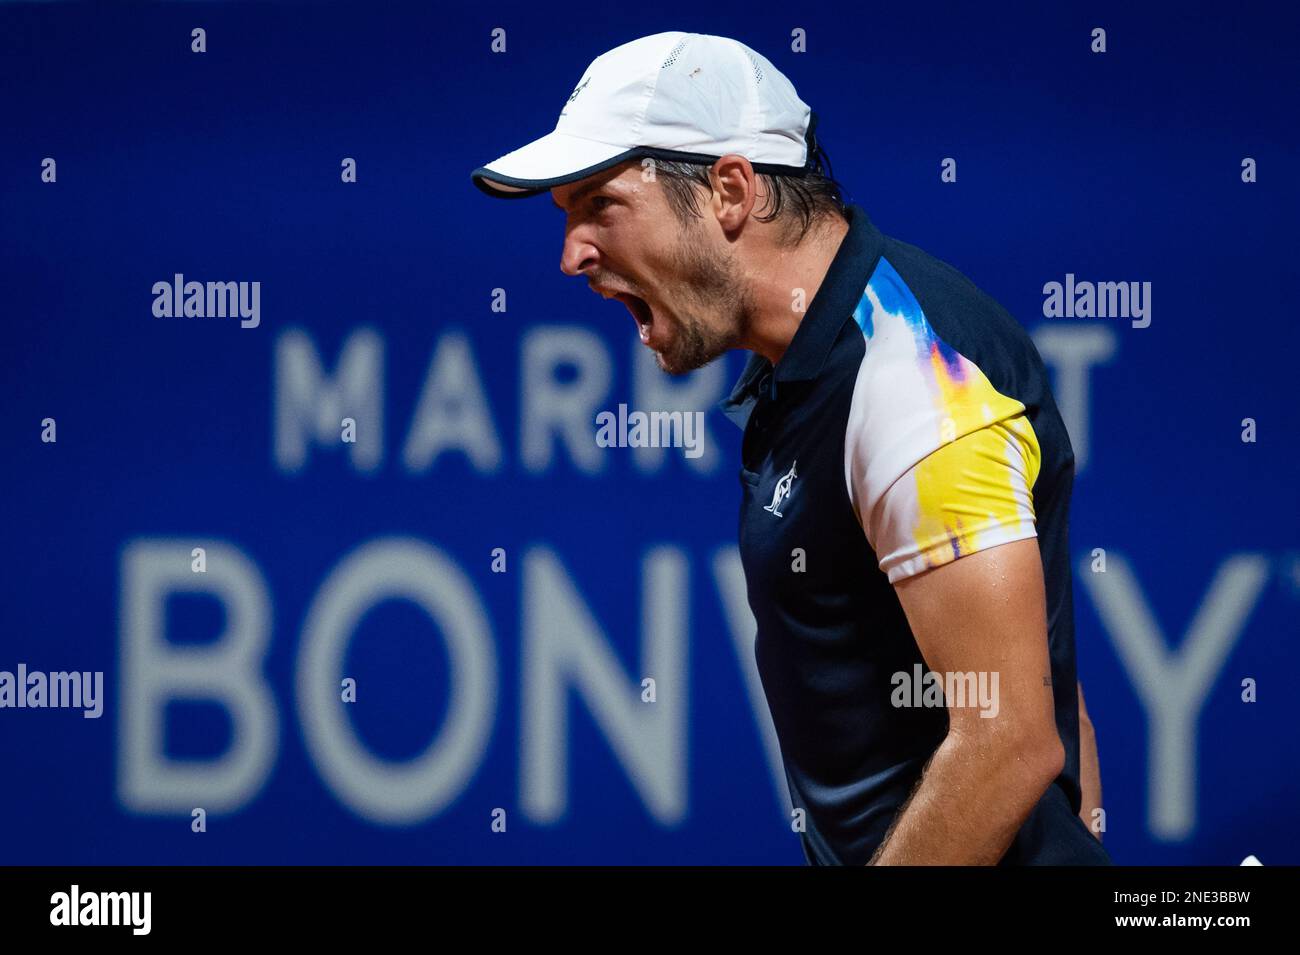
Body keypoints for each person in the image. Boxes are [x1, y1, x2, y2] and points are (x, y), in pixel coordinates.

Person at [472, 31, 1110, 865]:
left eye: (600, 205)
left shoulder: (914, 378)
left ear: (729, 191)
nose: (571, 256)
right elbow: (1042, 679)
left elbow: (1013, 741)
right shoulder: (815, 365)